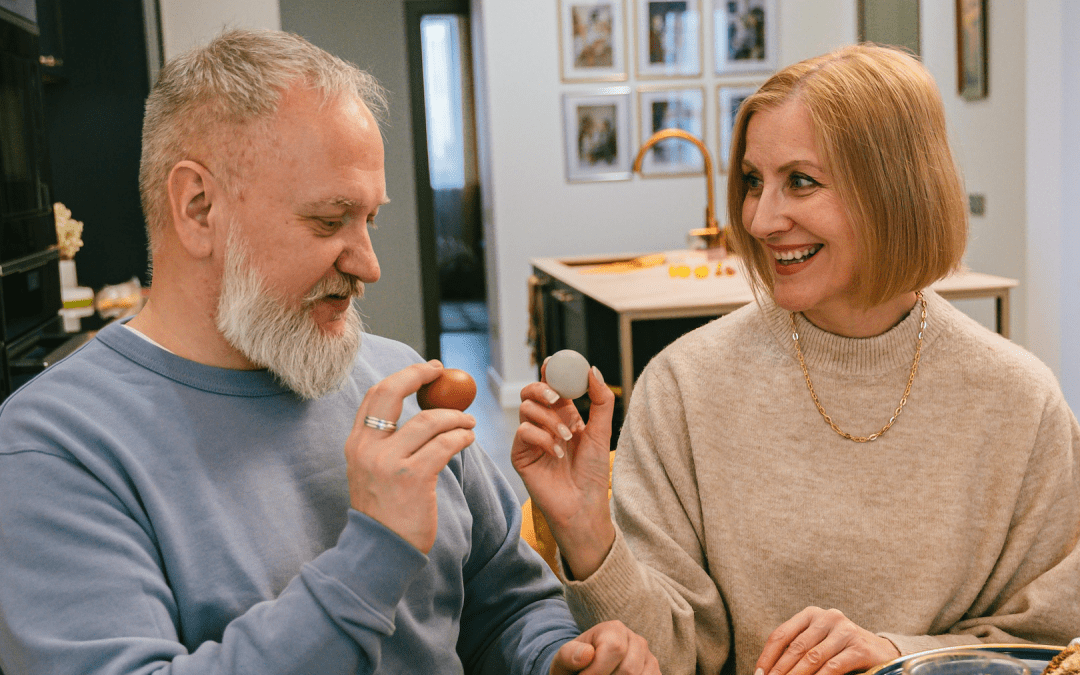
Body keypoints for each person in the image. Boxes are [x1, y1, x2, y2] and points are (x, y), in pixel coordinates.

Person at [0, 29, 660, 675]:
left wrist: (558, 656)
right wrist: (374, 552)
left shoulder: (396, 375)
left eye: (369, 218)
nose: (369, 264)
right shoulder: (53, 447)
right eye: (328, 220)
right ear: (198, 207)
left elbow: (507, 606)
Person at [513, 43, 1080, 675]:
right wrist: (587, 533)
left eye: (801, 182)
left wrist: (896, 655)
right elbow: (667, 658)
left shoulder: (1020, 402)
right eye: (754, 181)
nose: (759, 218)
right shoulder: (684, 384)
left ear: (897, 190)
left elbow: (1050, 646)